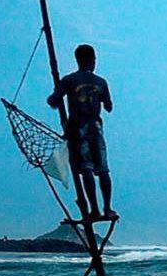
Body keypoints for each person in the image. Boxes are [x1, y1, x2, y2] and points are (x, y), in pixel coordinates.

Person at [47, 44, 117, 220]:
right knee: (102, 170)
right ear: (93, 61)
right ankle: (107, 208)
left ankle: (94, 209)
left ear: (77, 60)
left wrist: (58, 98)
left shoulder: (69, 80)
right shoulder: (101, 82)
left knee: (86, 168)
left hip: (78, 128)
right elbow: (109, 107)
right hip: (96, 127)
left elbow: (53, 100)